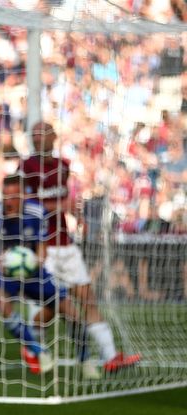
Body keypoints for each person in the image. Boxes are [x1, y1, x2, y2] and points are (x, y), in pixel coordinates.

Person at [21, 121, 140, 375]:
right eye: (34, 134)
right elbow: (27, 207)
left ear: (53, 136)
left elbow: (65, 200)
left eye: (42, 133)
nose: (38, 138)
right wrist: (58, 206)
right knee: (49, 309)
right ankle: (35, 350)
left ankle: (110, 357)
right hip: (44, 249)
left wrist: (77, 212)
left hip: (66, 244)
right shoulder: (26, 167)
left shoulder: (63, 165)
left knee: (88, 300)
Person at [0, 174, 89, 376]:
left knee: (70, 310)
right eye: (6, 196)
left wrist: (34, 261)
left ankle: (85, 359)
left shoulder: (37, 212)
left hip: (32, 271)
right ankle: (38, 350)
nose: (10, 201)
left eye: (15, 196)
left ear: (24, 195)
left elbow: (42, 251)